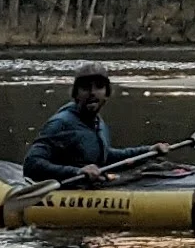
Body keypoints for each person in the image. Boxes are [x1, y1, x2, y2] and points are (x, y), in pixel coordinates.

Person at [24, 70, 161, 186]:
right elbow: (31, 164)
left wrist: (148, 151)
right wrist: (77, 172)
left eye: (99, 87)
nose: (92, 93)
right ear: (76, 94)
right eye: (85, 88)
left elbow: (104, 156)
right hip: (67, 191)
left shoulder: (97, 122)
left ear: (107, 94)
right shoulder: (60, 124)